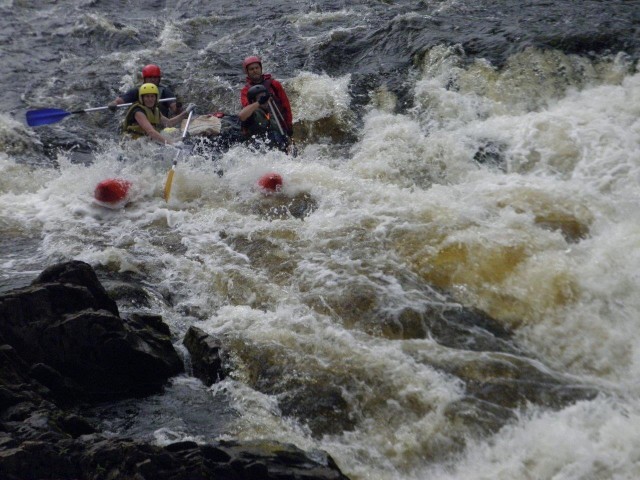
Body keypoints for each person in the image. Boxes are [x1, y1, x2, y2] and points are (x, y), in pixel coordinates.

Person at [121, 83, 194, 145]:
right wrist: (171, 144)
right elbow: (151, 132)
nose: (150, 99)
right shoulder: (138, 112)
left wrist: (186, 112)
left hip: (145, 143)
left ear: (156, 98)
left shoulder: (155, 110)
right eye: (147, 96)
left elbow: (169, 123)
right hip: (132, 145)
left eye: (152, 96)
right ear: (142, 98)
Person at [240, 56, 293, 137]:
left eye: (257, 68)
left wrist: (289, 124)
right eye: (251, 69)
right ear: (247, 72)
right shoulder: (245, 90)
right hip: (260, 124)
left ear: (261, 68)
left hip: (277, 121)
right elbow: (247, 108)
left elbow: (286, 105)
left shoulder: (274, 84)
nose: (255, 71)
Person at [109, 64, 180, 117]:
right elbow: (120, 100)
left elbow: (173, 107)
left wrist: (178, 107)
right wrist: (114, 103)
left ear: (159, 79)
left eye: (155, 77)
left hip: (160, 121)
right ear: (144, 79)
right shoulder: (136, 90)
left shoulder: (165, 91)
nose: (152, 80)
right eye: (150, 77)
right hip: (140, 120)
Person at [238, 84, 289, 152]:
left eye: (265, 97)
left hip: (276, 150)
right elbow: (241, 115)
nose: (264, 100)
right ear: (253, 101)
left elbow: (279, 131)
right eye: (261, 98)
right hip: (259, 150)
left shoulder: (271, 113)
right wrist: (259, 102)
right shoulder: (252, 114)